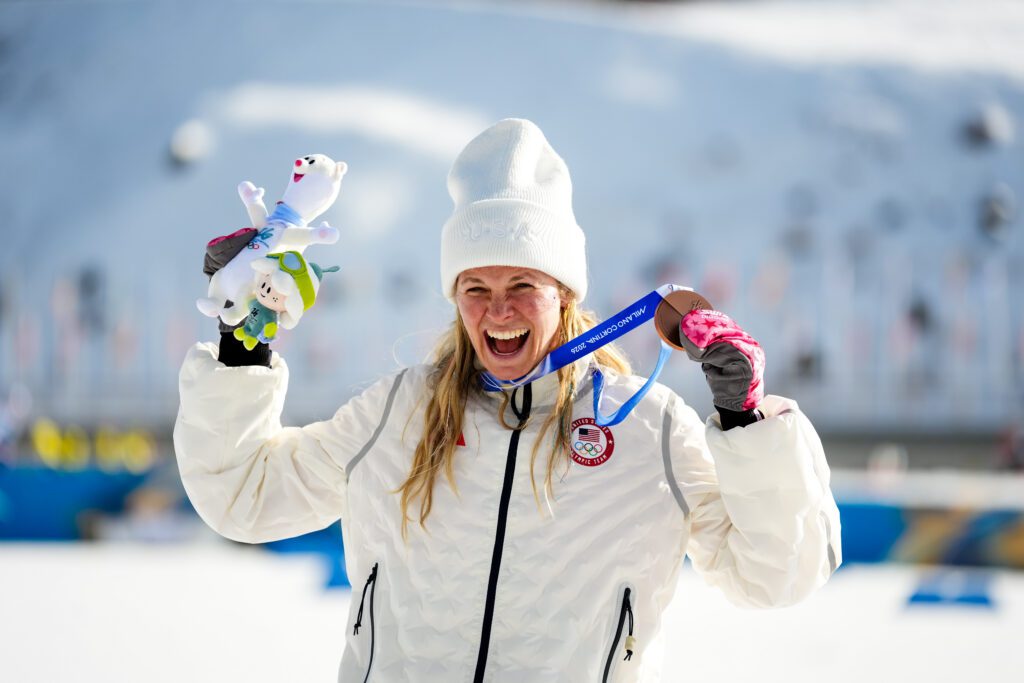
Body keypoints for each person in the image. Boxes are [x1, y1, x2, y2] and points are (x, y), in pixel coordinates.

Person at [175, 119, 841, 683]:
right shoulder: (398, 413)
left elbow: (774, 575)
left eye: (522, 282)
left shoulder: (645, 426)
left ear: (564, 293)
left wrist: (747, 421)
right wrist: (242, 344)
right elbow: (244, 495)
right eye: (475, 286)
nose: (499, 310)